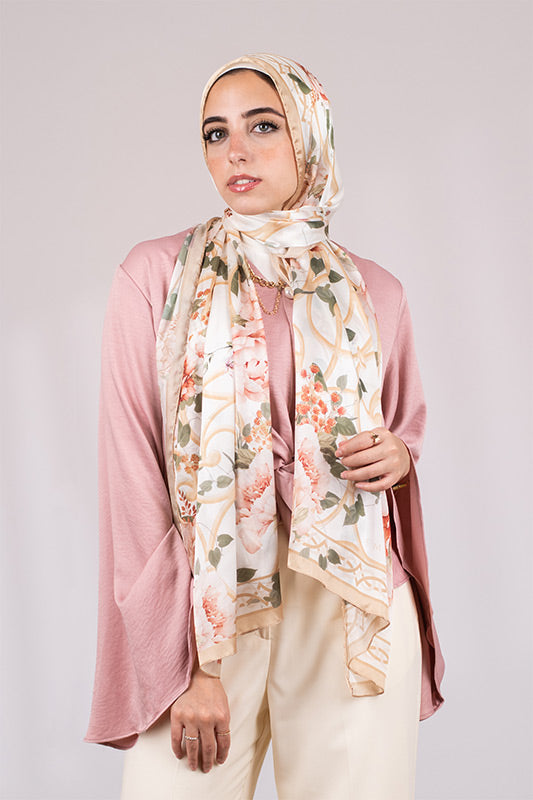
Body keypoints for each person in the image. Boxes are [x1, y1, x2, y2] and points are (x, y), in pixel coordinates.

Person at [85, 53, 444, 800]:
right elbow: (131, 471)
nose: (235, 152)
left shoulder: (375, 290)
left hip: (349, 600)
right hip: (205, 603)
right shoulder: (156, 276)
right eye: (215, 133)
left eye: (262, 126)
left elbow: (405, 431)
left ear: (310, 134)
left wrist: (398, 457)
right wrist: (187, 662)